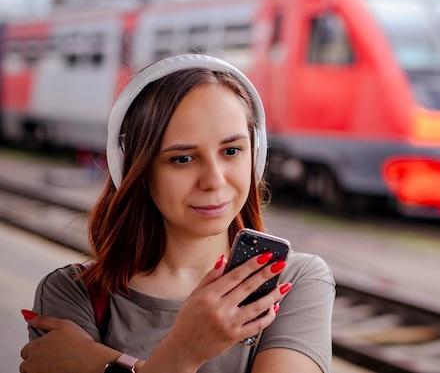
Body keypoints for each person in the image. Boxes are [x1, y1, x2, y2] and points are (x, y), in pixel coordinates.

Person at [18, 54, 335, 373]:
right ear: (138, 171)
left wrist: (113, 364)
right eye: (182, 158)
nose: (214, 180)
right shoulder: (70, 293)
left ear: (256, 155)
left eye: (231, 151)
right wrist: (180, 353)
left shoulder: (296, 279)